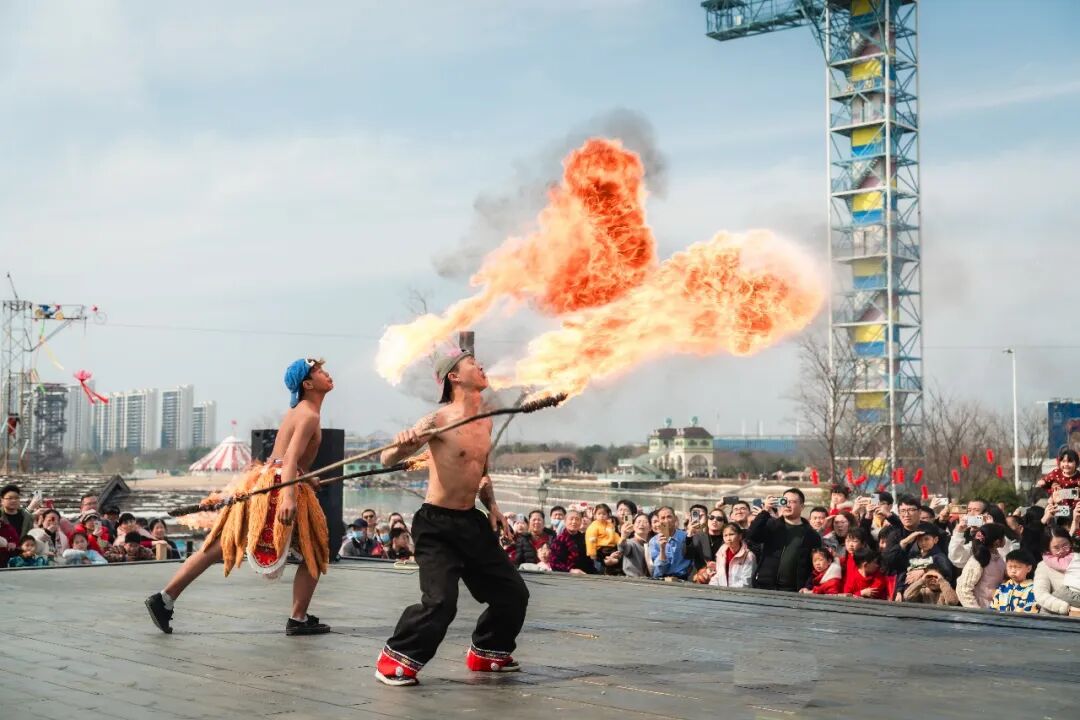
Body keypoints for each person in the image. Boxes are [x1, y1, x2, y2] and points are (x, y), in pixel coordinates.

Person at [145, 358, 334, 637]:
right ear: (307, 384)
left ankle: (164, 598)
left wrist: (306, 477)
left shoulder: (298, 411)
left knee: (221, 545)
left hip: (269, 481)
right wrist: (289, 497)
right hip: (279, 486)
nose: (326, 373)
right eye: (319, 371)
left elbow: (283, 460)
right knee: (314, 549)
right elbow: (289, 459)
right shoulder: (308, 415)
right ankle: (298, 618)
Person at [375, 350, 529, 687]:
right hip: (436, 526)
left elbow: (481, 472)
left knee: (512, 593)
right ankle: (394, 659)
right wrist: (403, 444)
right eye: (473, 363)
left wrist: (493, 506)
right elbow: (387, 459)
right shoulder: (437, 420)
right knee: (441, 603)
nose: (481, 366)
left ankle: (488, 651)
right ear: (454, 377)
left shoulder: (486, 421)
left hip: (471, 521)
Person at [748, 488, 821, 592]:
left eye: (792, 502)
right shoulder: (772, 525)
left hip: (794, 590)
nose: (787, 505)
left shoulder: (812, 535)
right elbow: (752, 536)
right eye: (784, 501)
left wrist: (807, 586)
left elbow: (815, 566)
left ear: (802, 506)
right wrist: (765, 511)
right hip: (765, 586)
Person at [956, 523, 1007, 609]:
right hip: (982, 609)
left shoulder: (998, 558)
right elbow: (963, 589)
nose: (1005, 539)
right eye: (1004, 537)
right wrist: (977, 611)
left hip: (996, 607)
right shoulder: (977, 561)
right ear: (997, 542)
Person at [1034, 524, 1080, 616]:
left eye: (1065, 545)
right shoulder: (1044, 566)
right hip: (1055, 615)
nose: (1062, 551)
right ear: (1048, 548)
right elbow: (1041, 595)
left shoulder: (1077, 558)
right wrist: (1067, 608)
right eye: (1056, 547)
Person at [698, 523, 756, 589]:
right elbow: (718, 576)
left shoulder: (748, 556)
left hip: (739, 593)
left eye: (731, 534)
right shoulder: (721, 553)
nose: (728, 538)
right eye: (725, 535)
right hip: (722, 592)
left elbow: (746, 583)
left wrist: (727, 590)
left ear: (740, 536)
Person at [648, 506, 692, 581]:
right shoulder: (654, 541)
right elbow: (659, 568)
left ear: (675, 519)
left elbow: (691, 562)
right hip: (661, 579)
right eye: (663, 518)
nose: (666, 520)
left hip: (682, 579)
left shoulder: (685, 537)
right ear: (659, 521)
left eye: (669, 517)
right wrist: (662, 549)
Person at [1035, 448, 1080, 521]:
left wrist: (1067, 493)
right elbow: (1045, 480)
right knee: (1057, 519)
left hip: (1074, 509)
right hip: (1058, 506)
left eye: (1070, 461)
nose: (1066, 464)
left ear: (1076, 463)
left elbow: (1076, 494)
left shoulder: (1078, 477)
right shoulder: (1056, 473)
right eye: (1063, 461)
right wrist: (1042, 482)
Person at [990, 550, 1039, 614]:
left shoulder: (1033, 589)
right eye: (1010, 567)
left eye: (1018, 567)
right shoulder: (1002, 588)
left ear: (1029, 568)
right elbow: (993, 610)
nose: (1013, 571)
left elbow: (1032, 613)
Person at [549, 509, 594, 575]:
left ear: (580, 522)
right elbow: (554, 562)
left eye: (577, 519)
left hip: (585, 575)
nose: (574, 522)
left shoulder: (584, 539)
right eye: (571, 519)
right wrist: (570, 570)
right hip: (565, 576)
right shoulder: (559, 540)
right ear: (565, 521)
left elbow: (589, 561)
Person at [1, 484, 34, 567]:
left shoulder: (27, 517)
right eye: (10, 498)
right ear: (2, 500)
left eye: (16, 498)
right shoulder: (0, 518)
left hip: (24, 559)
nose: (13, 500)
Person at [688, 508, 728, 574]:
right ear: (707, 520)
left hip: (721, 575)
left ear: (724, 523)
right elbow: (687, 555)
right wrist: (689, 534)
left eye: (719, 519)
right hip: (700, 575)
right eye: (711, 517)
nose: (714, 520)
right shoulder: (698, 537)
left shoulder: (727, 539)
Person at [585, 503, 621, 574]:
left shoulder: (610, 525)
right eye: (599, 514)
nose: (601, 516)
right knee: (601, 568)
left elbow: (615, 535)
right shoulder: (593, 526)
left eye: (604, 514)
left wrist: (621, 541)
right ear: (595, 515)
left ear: (608, 515)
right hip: (600, 550)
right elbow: (591, 541)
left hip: (611, 548)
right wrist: (592, 554)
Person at [618, 513, 652, 577]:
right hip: (632, 579)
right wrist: (623, 537)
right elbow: (623, 548)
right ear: (633, 526)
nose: (641, 524)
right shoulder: (630, 542)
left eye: (645, 522)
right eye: (638, 522)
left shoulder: (652, 545)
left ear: (650, 528)